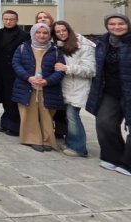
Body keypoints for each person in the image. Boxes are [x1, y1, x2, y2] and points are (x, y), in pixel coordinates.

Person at [86, 14, 131, 174]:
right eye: (112, 24)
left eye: (121, 23)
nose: (117, 27)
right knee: (104, 123)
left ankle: (128, 163)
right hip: (110, 91)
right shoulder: (103, 42)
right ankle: (113, 157)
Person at [12, 23, 66, 152]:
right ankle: (33, 139)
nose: (41, 35)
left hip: (47, 88)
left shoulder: (56, 51)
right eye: (38, 32)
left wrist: (47, 81)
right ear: (33, 33)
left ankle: (47, 140)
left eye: (45, 33)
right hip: (27, 87)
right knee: (29, 114)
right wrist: (28, 78)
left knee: (46, 115)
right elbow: (16, 64)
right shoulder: (23, 47)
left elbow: (60, 70)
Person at [53, 20, 96, 157]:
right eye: (57, 32)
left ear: (69, 30)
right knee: (68, 116)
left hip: (78, 87)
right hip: (66, 87)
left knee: (73, 116)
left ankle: (79, 148)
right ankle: (71, 142)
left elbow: (91, 70)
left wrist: (67, 68)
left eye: (63, 30)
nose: (61, 33)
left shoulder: (84, 46)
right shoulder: (60, 45)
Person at [0, 11, 28, 137]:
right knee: (3, 97)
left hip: (15, 71)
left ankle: (14, 127)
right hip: (0, 71)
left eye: (12, 19)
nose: (8, 21)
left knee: (13, 99)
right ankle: (5, 123)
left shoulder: (23, 35)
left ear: (17, 20)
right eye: (6, 19)